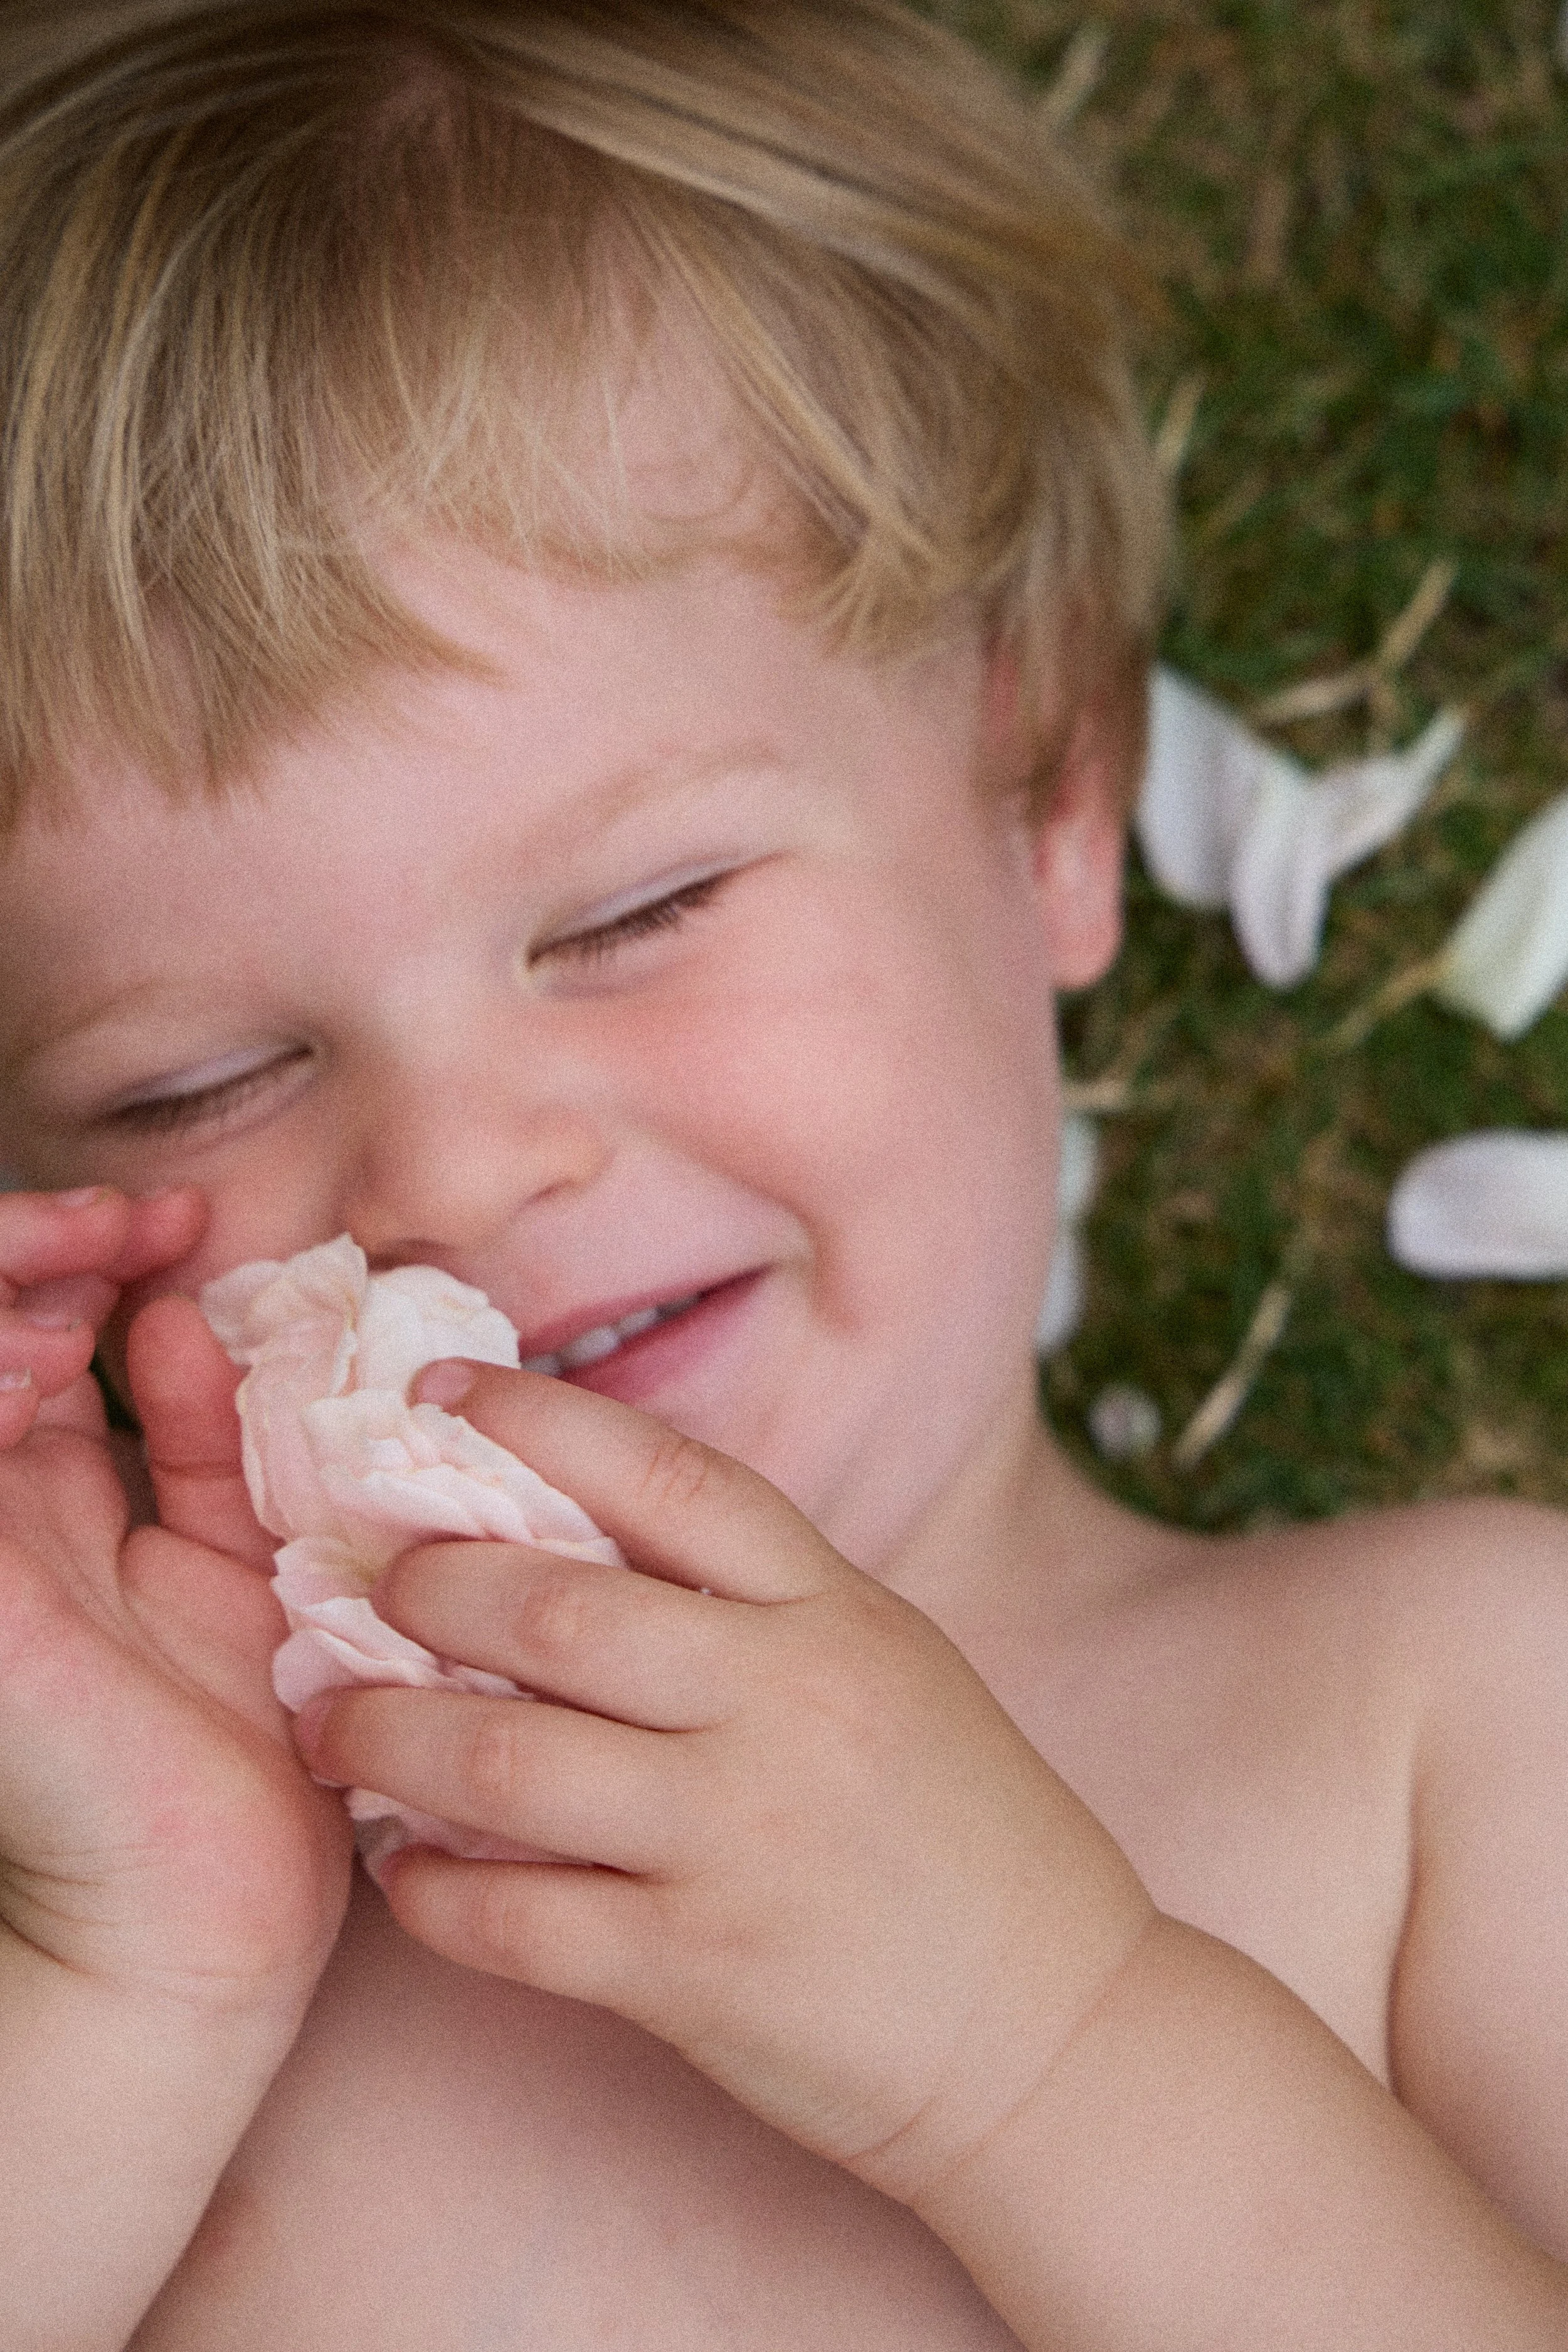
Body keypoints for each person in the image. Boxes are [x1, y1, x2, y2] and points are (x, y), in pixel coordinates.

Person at [0, 4, 1564, 2345]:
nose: (458, 1164)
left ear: (1038, 794)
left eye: (631, 914)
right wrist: (144, 1991)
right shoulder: (147, 1986)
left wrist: (1037, 2043)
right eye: (192, 1078)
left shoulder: (1443, 1720)